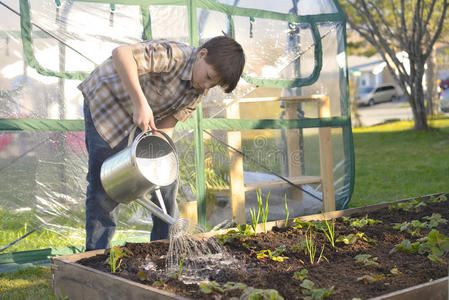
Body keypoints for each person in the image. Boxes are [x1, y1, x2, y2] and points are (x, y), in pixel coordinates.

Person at [78, 35, 245, 251]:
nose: (206, 85)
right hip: (107, 102)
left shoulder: (199, 90)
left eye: (213, 84)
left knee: (167, 181)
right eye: (208, 76)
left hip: (140, 113)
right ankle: (95, 255)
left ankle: (163, 248)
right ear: (202, 54)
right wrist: (140, 102)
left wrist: (158, 159)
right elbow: (121, 52)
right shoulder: (175, 55)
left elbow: (167, 125)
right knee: (104, 187)